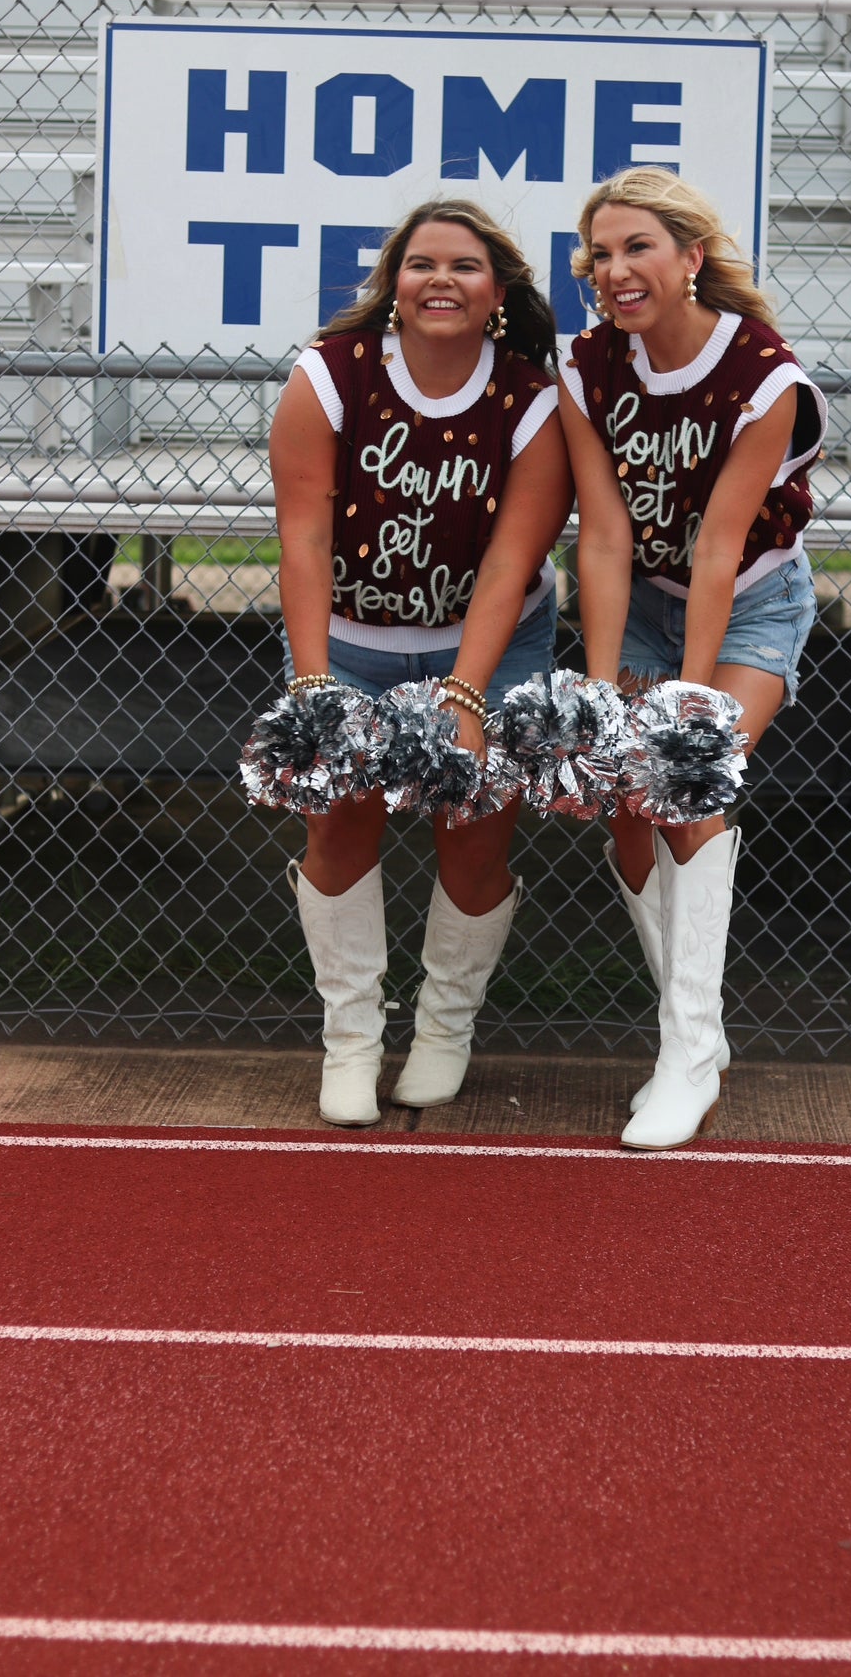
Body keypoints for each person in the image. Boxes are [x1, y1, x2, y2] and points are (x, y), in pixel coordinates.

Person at [272, 199, 572, 1127]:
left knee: (473, 826)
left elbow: (509, 564)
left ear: (498, 295)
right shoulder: (330, 375)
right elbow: (304, 539)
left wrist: (465, 694)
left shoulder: (528, 397)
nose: (441, 279)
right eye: (421, 264)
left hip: (491, 638)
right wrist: (315, 683)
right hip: (353, 642)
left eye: (466, 267)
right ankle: (352, 1040)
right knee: (339, 823)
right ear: (393, 287)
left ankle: (443, 1032)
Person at [559, 167, 828, 1151]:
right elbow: (603, 537)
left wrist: (687, 699)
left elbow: (719, 548)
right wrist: (598, 692)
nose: (615, 268)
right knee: (628, 810)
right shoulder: (589, 365)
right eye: (600, 252)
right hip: (640, 608)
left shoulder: (764, 374)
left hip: (752, 605)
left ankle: (685, 1052)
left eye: (638, 247)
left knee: (683, 781)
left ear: (690, 259)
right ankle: (697, 1037)